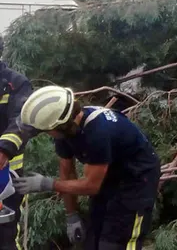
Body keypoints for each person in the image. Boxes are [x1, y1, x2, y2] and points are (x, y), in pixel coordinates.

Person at [14, 85, 161, 250]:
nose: (47, 134)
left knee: (116, 243)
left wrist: (47, 184)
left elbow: (91, 185)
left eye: (46, 131)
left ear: (59, 126)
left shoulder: (98, 133)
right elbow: (67, 172)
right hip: (109, 177)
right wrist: (72, 215)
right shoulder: (65, 130)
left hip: (136, 181)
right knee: (92, 241)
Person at [0, 36, 34, 250]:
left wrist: (4, 149)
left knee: (5, 234)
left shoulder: (15, 83)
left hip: (7, 176)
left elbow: (22, 121)